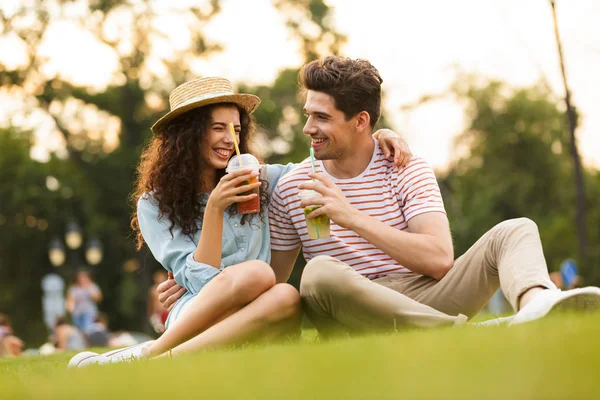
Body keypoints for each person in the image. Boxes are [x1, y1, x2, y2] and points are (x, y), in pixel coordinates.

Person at [68, 76, 410, 367]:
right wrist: (215, 209)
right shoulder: (155, 204)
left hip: (259, 313)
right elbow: (199, 282)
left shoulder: (256, 178)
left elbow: (317, 162)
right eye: (217, 128)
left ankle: (153, 359)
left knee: (287, 295)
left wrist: (374, 138)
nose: (227, 139)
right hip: (196, 317)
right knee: (260, 273)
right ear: (188, 134)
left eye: (234, 129)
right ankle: (157, 353)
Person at [263, 56, 600, 337]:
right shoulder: (294, 184)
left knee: (517, 229)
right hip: (351, 310)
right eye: (308, 114)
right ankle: (466, 334)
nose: (307, 127)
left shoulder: (404, 166)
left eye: (321, 117)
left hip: (425, 294)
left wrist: (350, 216)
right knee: (319, 272)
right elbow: (276, 285)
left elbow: (439, 261)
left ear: (360, 121)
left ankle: (537, 306)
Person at [66, 269, 102, 334]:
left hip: (89, 312)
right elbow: (70, 300)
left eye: (84, 277)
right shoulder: (74, 288)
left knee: (87, 328)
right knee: (79, 330)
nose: (82, 279)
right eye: (80, 277)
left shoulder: (92, 286)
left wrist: (88, 289)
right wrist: (70, 309)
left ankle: (88, 342)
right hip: (77, 312)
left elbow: (98, 298)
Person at [148, 270, 169, 334]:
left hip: (167, 311)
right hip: (158, 313)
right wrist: (151, 314)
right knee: (160, 329)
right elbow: (151, 303)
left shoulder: (168, 288)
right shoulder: (153, 290)